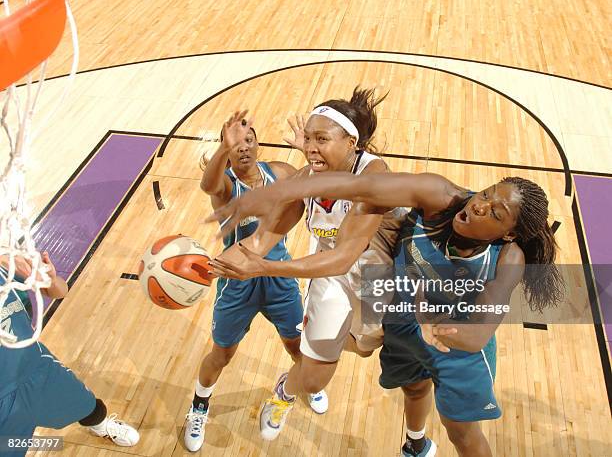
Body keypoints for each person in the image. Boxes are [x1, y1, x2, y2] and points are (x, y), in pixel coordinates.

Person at [207, 171, 563, 457]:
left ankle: (414, 444)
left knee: (463, 435)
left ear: (508, 233)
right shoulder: (440, 195)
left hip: (458, 345)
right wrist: (277, 194)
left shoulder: (509, 260)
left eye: (495, 213)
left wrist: (427, 318)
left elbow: (476, 336)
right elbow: (361, 184)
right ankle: (415, 443)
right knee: (411, 386)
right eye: (487, 193)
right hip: (404, 317)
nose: (481, 205)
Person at [209, 87, 408, 441]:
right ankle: (285, 392)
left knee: (364, 350)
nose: (310, 146)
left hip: (377, 277)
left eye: (321, 139)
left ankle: (322, 344)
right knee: (314, 378)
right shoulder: (307, 179)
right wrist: (204, 267)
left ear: (352, 143)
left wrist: (266, 267)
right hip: (328, 277)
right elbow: (260, 240)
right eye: (308, 138)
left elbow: (346, 255)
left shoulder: (376, 176)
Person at [183, 111, 326, 453]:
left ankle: (307, 383)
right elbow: (208, 184)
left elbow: (313, 181)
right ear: (226, 149)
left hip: (278, 276)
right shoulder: (227, 185)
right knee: (222, 354)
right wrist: (222, 150)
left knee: (297, 346)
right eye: (235, 143)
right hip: (237, 281)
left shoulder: (279, 172)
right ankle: (199, 406)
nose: (244, 147)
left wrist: (310, 151)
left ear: (258, 143)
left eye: (249, 140)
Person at [0, 252, 140, 457]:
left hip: (36, 366)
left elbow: (59, 291)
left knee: (90, 407)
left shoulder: (8, 263)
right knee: (9, 447)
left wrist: (49, 277)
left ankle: (102, 426)